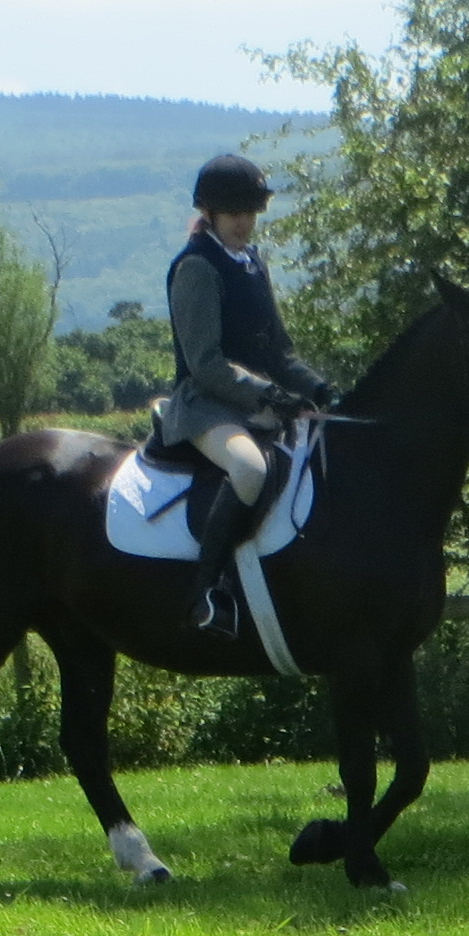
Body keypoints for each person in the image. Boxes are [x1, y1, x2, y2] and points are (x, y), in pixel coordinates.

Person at [153, 152, 336, 637]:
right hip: (205, 406)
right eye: (235, 213)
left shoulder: (253, 262)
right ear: (210, 213)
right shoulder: (197, 266)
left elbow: (279, 351)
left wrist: (317, 387)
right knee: (250, 468)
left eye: (251, 213)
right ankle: (206, 593)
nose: (245, 223)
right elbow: (205, 363)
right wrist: (270, 395)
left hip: (256, 405)